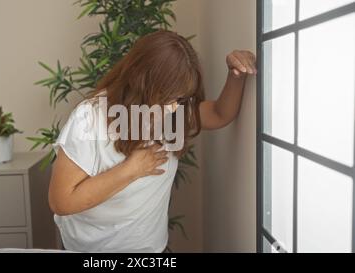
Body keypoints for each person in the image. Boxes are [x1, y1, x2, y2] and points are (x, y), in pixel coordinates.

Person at [48, 30, 257, 253]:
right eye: (167, 97)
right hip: (90, 251)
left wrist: (237, 74)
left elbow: (218, 114)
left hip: (151, 249)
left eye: (180, 98)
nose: (175, 107)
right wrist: (131, 169)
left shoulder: (172, 113)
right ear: (140, 83)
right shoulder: (90, 119)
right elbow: (62, 202)